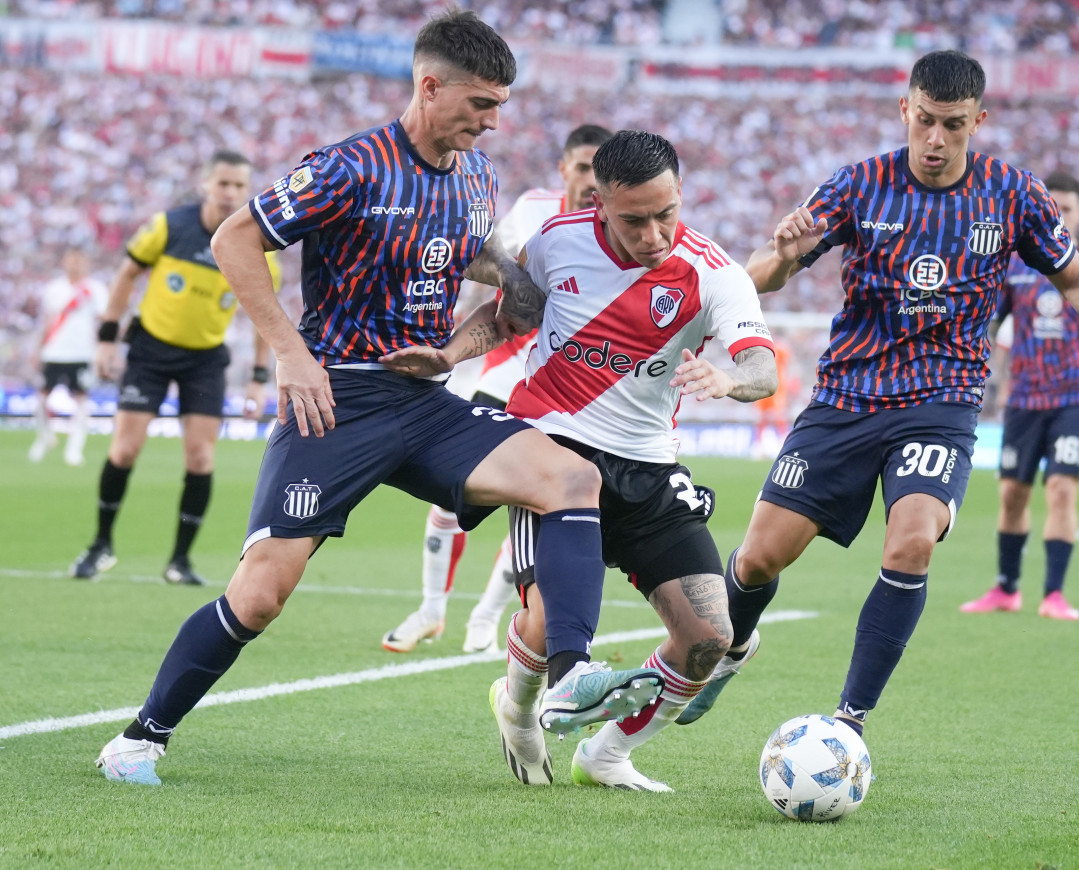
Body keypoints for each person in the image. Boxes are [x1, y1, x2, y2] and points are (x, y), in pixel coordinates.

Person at [93, 11, 660, 787]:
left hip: (423, 402)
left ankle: (567, 674)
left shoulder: (476, 177)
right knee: (259, 597)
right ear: (430, 86)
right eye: (482, 105)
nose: (494, 121)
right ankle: (139, 737)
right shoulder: (349, 166)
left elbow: (515, 300)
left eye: (500, 105)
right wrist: (291, 355)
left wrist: (456, 350)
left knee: (569, 478)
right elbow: (234, 238)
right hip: (335, 400)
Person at [674, 51, 1079, 749]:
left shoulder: (1014, 195)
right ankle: (734, 647)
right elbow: (762, 277)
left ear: (977, 122)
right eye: (924, 120)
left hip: (943, 399)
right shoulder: (860, 185)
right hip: (847, 396)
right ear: (905, 110)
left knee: (914, 540)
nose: (934, 139)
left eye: (952, 126)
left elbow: (1075, 278)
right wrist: (783, 250)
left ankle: (848, 723)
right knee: (756, 561)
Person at [487, 130, 778, 790]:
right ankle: (523, 709)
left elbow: (761, 366)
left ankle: (608, 752)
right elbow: (501, 298)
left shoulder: (712, 273)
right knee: (543, 619)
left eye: (666, 214)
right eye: (634, 219)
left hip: (647, 468)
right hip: (552, 448)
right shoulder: (555, 241)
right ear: (599, 202)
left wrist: (733, 382)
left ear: (681, 195)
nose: (653, 234)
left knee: (708, 636)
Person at [382, 123, 614, 656]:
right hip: (507, 373)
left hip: (569, 392)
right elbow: (489, 266)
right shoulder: (535, 209)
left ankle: (485, 617)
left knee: (535, 501)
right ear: (563, 169)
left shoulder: (619, 228)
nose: (590, 180)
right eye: (582, 167)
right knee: (448, 498)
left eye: (601, 170)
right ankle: (431, 609)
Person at [69, 151, 279, 586]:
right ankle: (100, 546)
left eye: (239, 186)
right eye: (223, 184)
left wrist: (259, 380)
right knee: (125, 449)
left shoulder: (254, 244)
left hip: (204, 359)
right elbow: (126, 274)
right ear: (205, 184)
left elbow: (264, 316)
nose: (231, 193)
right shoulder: (169, 226)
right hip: (149, 350)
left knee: (201, 457)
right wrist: (108, 337)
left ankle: (180, 561)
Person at [960, 170, 1079, 621]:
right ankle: (1006, 588)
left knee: (1060, 489)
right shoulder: (1017, 265)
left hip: (1075, 398)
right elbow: (990, 323)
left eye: (1068, 209)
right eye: (1054, 208)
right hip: (1024, 398)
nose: (1061, 216)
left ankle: (1053, 593)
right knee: (1012, 496)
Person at [28, 247, 108, 467]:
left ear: (86, 263)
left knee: (81, 400)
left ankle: (75, 448)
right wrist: (38, 350)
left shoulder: (95, 289)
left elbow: (103, 323)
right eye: (71, 260)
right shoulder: (53, 289)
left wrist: (103, 351)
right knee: (42, 399)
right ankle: (44, 438)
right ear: (64, 262)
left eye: (79, 260)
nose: (75, 264)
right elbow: (46, 322)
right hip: (54, 352)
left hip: (82, 353)